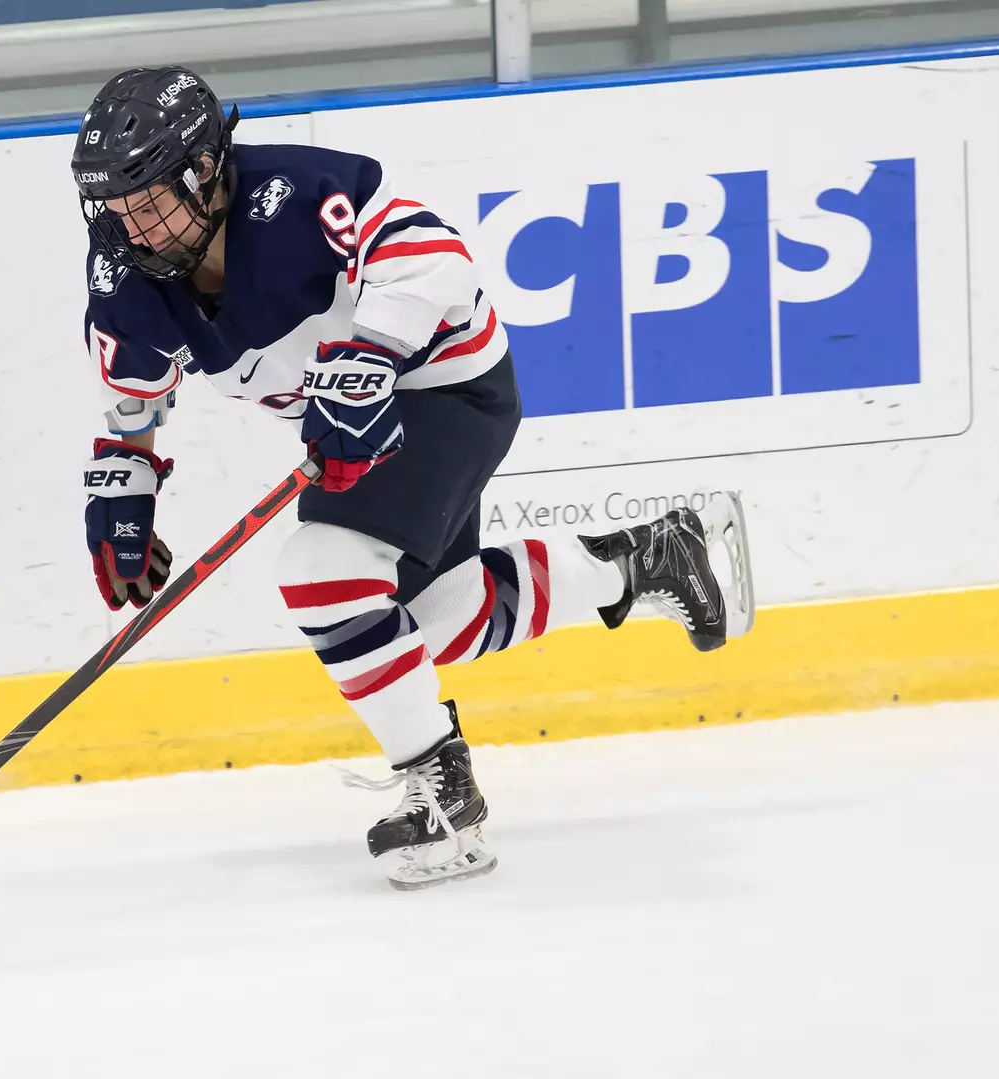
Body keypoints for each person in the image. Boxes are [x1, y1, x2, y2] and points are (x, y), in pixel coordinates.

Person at [72, 66, 755, 889]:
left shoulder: (295, 193)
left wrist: (370, 355)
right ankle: (642, 558)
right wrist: (126, 490)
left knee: (320, 575)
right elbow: (133, 403)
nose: (131, 228)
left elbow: (436, 258)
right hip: (359, 421)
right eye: (114, 206)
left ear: (206, 170)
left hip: (445, 385)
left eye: (147, 201)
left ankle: (443, 788)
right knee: (431, 626)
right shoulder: (124, 282)